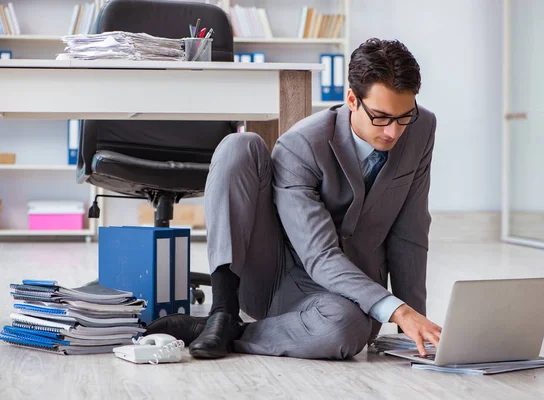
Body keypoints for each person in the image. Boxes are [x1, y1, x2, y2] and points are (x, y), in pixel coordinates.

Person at [145, 38, 442, 360]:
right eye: (381, 117)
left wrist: (413, 330)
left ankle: (235, 334)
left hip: (350, 296)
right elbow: (320, 255)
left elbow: (410, 232)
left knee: (344, 331)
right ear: (352, 100)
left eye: (403, 117)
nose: (393, 133)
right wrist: (398, 311)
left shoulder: (422, 128)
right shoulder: (302, 145)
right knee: (239, 146)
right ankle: (223, 314)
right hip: (278, 277)